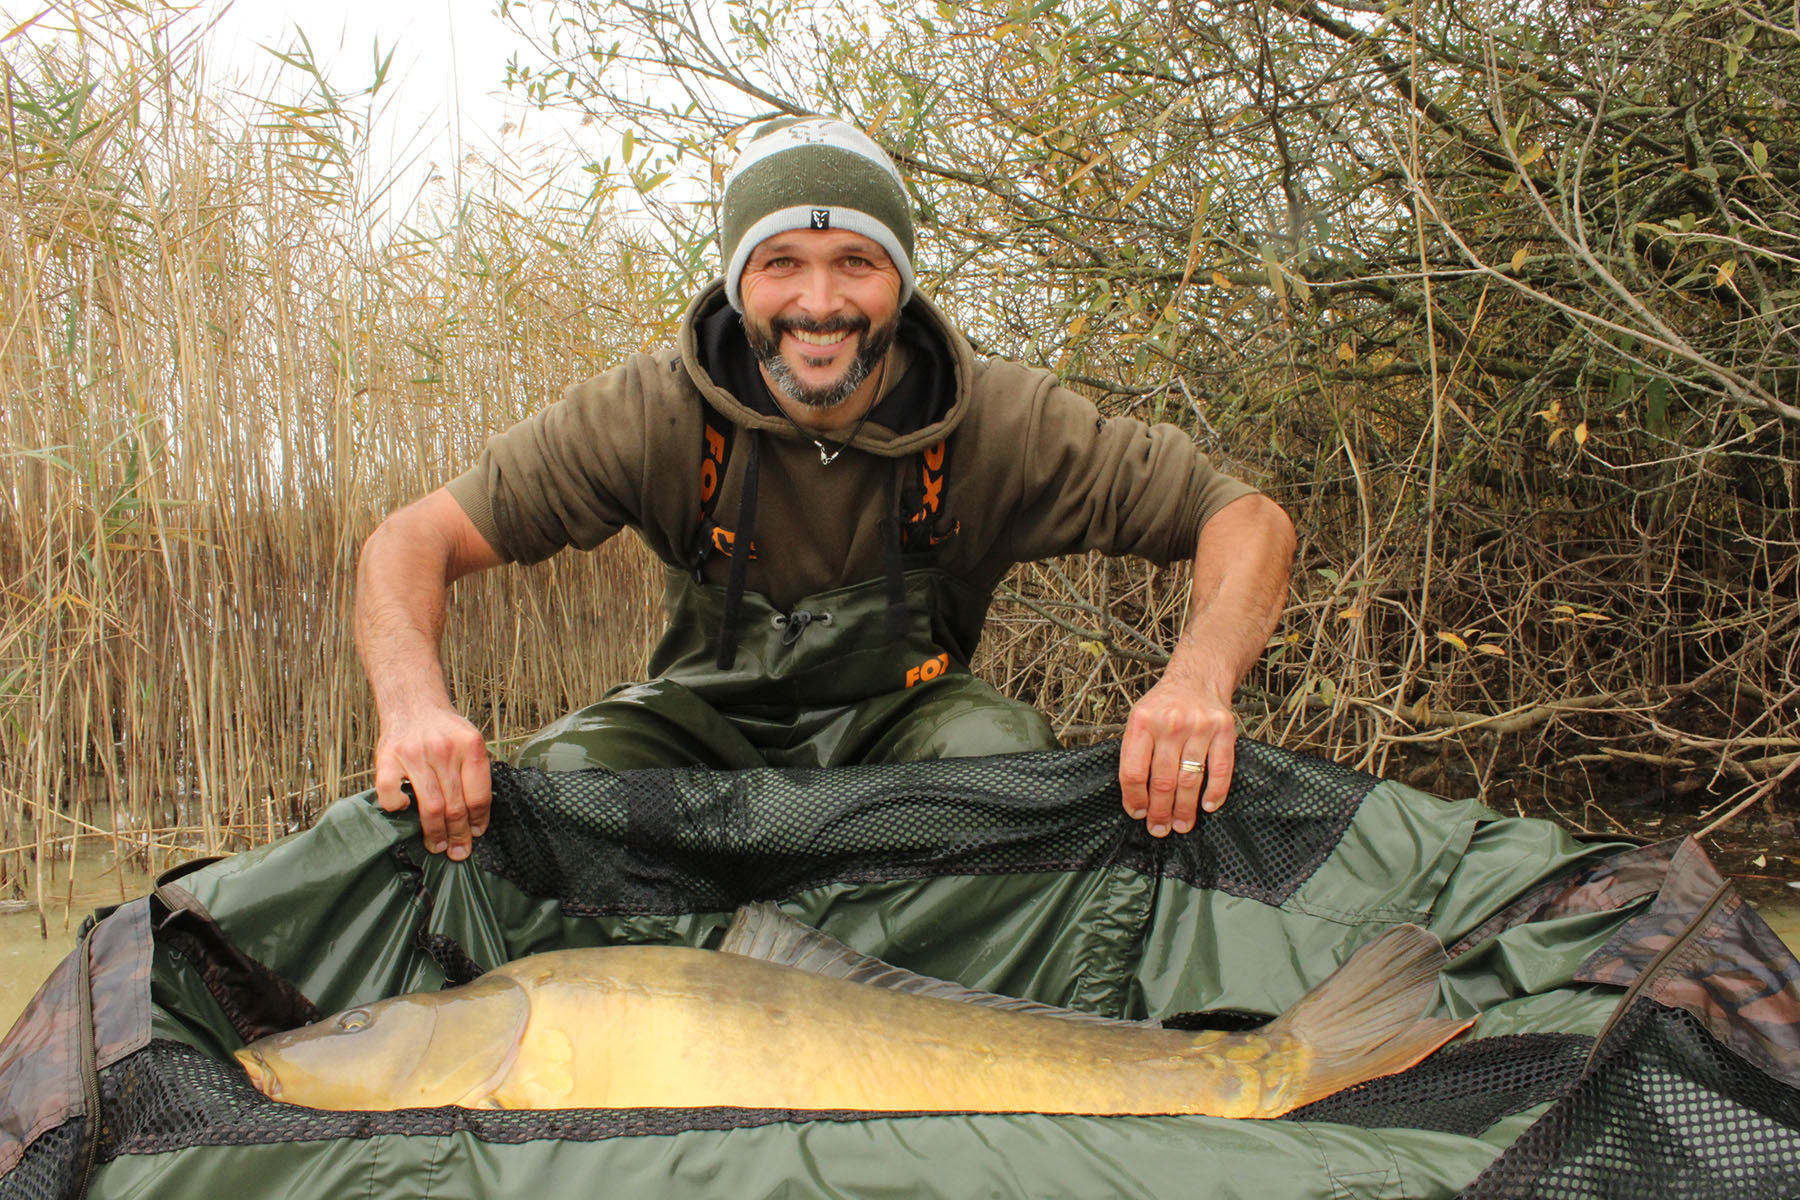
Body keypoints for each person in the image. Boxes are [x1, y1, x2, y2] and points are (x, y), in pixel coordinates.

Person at [354, 117, 1295, 862]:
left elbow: (1245, 519)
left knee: (1001, 760)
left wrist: (1195, 682)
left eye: (856, 260)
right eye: (781, 264)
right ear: (738, 284)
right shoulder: (649, 413)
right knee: (571, 772)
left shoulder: (1005, 419)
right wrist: (415, 708)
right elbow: (410, 541)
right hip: (700, 728)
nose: (818, 303)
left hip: (907, 728)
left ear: (902, 282)